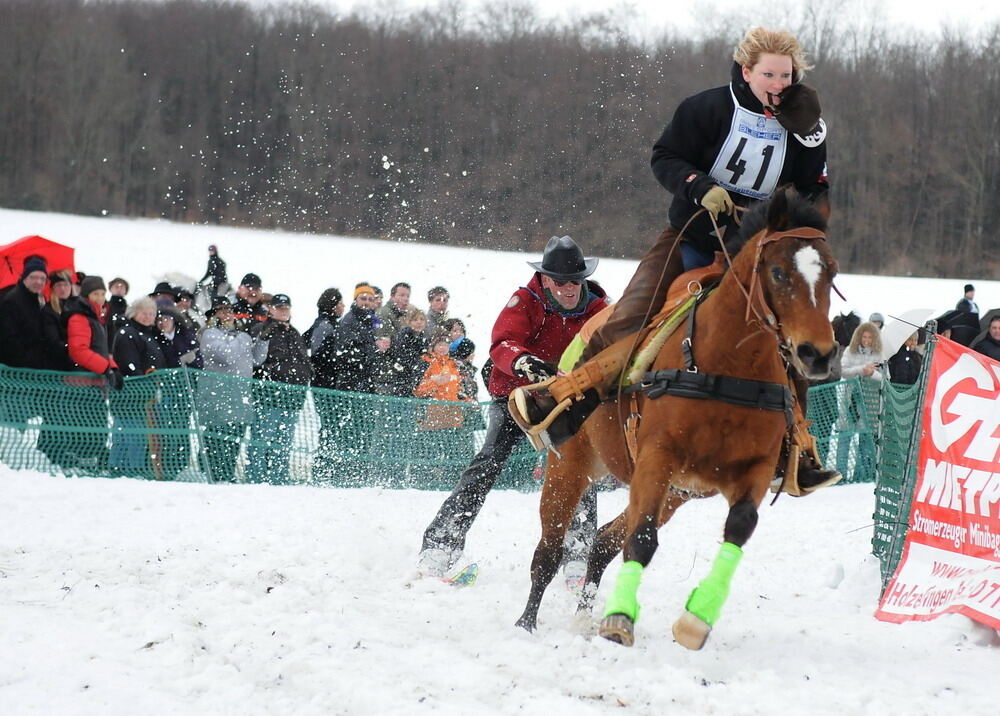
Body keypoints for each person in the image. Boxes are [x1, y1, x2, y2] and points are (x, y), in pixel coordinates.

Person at [510, 28, 834, 489]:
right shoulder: (707, 108)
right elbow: (664, 156)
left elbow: (815, 189)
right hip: (695, 233)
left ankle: (798, 449)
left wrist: (799, 165)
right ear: (747, 71)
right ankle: (567, 403)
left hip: (757, 249)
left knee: (793, 332)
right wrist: (699, 186)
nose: (780, 84)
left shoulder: (806, 123)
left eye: (787, 74)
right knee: (633, 315)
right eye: (769, 74)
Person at [418, 235, 609, 576]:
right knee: (489, 462)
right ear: (546, 279)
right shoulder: (525, 300)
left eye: (575, 282)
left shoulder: (599, 307)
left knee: (578, 471)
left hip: (566, 400)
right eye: (561, 282)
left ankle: (578, 554)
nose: (569, 289)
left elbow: (617, 343)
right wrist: (525, 362)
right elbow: (502, 343)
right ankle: (440, 544)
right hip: (516, 396)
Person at [51, 275, 122, 470]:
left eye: (102, 293)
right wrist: (106, 368)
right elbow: (78, 350)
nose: (100, 298)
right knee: (82, 424)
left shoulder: (97, 318)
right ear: (86, 295)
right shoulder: (79, 316)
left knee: (97, 424)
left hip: (94, 383)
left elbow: (101, 350)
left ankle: (91, 457)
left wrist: (114, 368)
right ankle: (77, 459)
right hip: (80, 383)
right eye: (95, 294)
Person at [246, 293, 313, 484]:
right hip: (268, 395)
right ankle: (256, 476)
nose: (283, 311)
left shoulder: (294, 332)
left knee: (284, 441)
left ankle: (279, 476)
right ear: (270, 309)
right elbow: (256, 360)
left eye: (286, 308)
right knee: (262, 439)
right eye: (279, 308)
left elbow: (301, 360)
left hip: (292, 397)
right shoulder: (261, 329)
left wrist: (307, 373)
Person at [197, 296, 254, 482]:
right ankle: (213, 474)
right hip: (217, 396)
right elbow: (227, 355)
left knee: (234, 440)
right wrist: (244, 337)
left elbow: (256, 359)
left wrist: (263, 340)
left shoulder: (238, 336)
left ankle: (226, 474)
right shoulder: (210, 334)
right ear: (214, 314)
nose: (227, 314)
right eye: (221, 310)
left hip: (239, 396)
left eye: (229, 310)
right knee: (217, 439)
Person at [110, 296, 166, 475]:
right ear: (134, 313)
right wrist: (142, 381)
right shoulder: (128, 333)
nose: (148, 317)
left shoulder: (148, 335)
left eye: (151, 314)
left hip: (143, 394)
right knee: (130, 435)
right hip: (129, 393)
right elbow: (129, 363)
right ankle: (123, 468)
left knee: (137, 435)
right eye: (144, 313)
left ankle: (131, 467)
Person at [0, 255, 49, 369]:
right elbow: (9, 339)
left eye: (42, 278)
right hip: (17, 369)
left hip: (34, 366)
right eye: (33, 277)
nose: (38, 282)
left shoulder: (38, 300)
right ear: (25, 278)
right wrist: (31, 363)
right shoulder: (12, 300)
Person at [40, 270, 74, 371]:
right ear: (53, 288)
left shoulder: (77, 308)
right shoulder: (48, 311)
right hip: (57, 365)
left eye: (66, 285)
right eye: (59, 285)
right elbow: (53, 341)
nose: (63, 289)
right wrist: (72, 348)